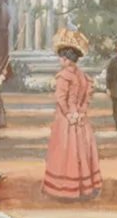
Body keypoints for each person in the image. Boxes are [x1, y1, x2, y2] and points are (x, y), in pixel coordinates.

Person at [43, 27, 102, 201]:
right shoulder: (84, 76)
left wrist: (70, 114)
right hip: (81, 121)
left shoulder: (63, 76)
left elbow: (61, 99)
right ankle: (84, 187)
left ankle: (65, 189)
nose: (60, 60)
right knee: (81, 151)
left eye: (62, 57)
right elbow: (87, 99)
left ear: (67, 58)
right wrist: (80, 113)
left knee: (66, 152)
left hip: (65, 120)